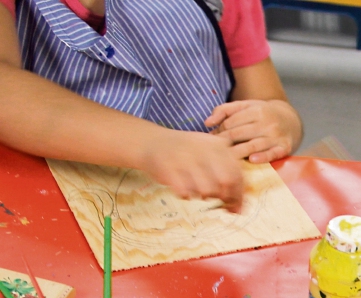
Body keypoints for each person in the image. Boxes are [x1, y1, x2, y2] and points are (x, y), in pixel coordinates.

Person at [0, 0, 303, 211]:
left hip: (199, 207)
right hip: (55, 210)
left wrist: (280, 121)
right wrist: (151, 144)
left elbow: (269, 99)